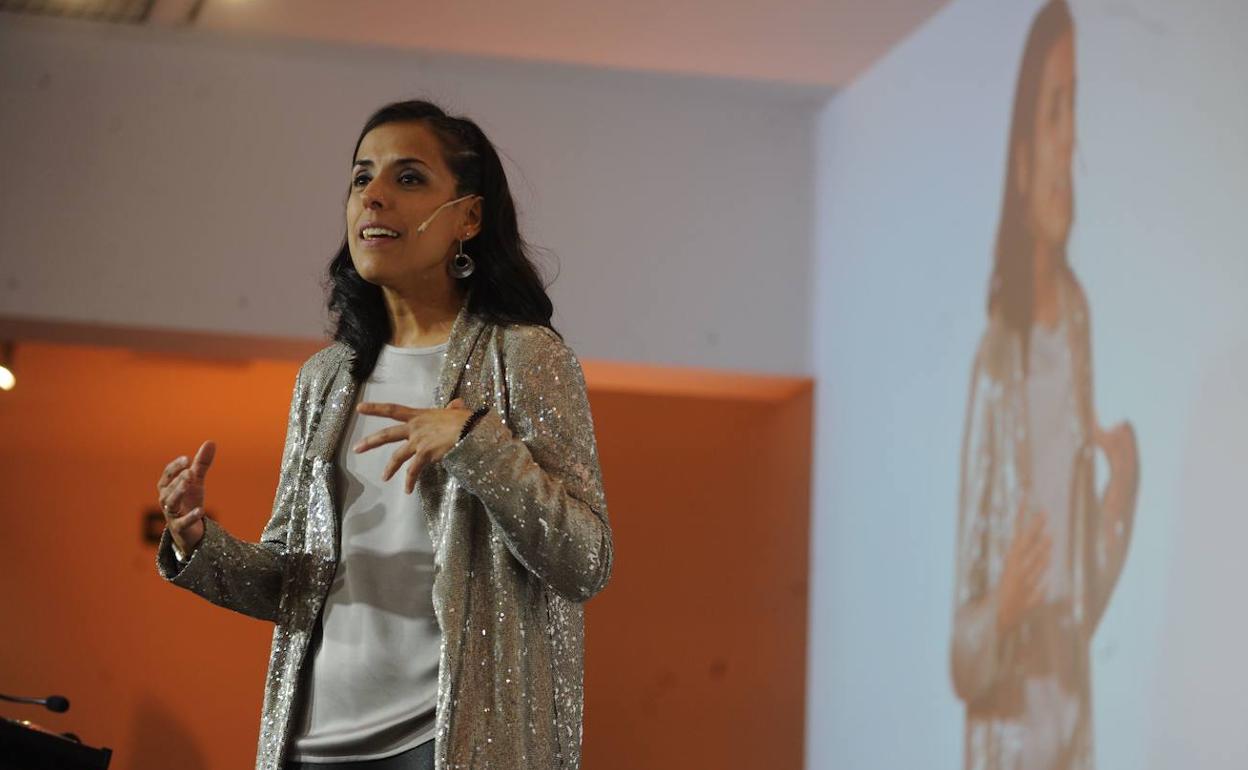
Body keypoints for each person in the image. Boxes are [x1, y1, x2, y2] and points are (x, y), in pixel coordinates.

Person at [153, 100, 614, 770]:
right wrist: (197, 542)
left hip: (451, 744)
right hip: (314, 741)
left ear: (468, 217)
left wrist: (477, 445)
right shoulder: (326, 378)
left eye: (408, 179)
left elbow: (585, 561)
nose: (373, 196)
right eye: (360, 177)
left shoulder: (524, 355)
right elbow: (292, 581)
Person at [949, 3, 1139, 769]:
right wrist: (1002, 609)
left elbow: (1083, 600)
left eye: (1076, 109)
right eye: (1054, 111)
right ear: (1021, 159)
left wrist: (1119, 490)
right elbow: (963, 653)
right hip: (1010, 726)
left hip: (1071, 703)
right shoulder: (998, 358)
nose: (1071, 144)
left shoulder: (1079, 323)